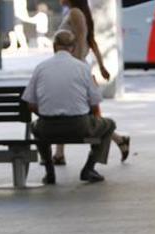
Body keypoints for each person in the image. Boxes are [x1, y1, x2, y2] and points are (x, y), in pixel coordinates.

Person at [22, 30, 116, 184]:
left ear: (54, 46)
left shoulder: (41, 67)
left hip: (47, 127)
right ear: (73, 47)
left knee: (35, 128)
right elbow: (95, 102)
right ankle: (89, 167)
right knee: (110, 124)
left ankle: (49, 171)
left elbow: (30, 104)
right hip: (79, 126)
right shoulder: (82, 68)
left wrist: (48, 114)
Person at [51, 0, 129, 166]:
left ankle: (119, 140)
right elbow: (90, 41)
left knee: (87, 114)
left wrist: (76, 68)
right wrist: (100, 66)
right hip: (76, 68)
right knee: (69, 109)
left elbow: (81, 39)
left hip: (75, 70)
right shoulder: (76, 12)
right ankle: (59, 153)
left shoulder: (75, 13)